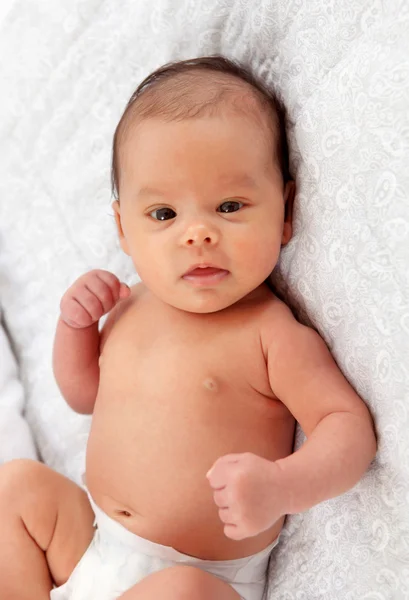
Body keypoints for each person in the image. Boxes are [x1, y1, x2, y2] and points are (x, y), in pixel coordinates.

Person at [0, 56, 377, 600]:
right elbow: (85, 396)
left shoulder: (271, 334)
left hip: (203, 580)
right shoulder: (129, 305)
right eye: (163, 215)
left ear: (286, 210)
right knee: (16, 486)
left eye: (229, 206)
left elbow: (349, 429)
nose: (197, 234)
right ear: (124, 227)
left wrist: (281, 487)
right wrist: (75, 327)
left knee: (180, 592)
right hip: (94, 544)